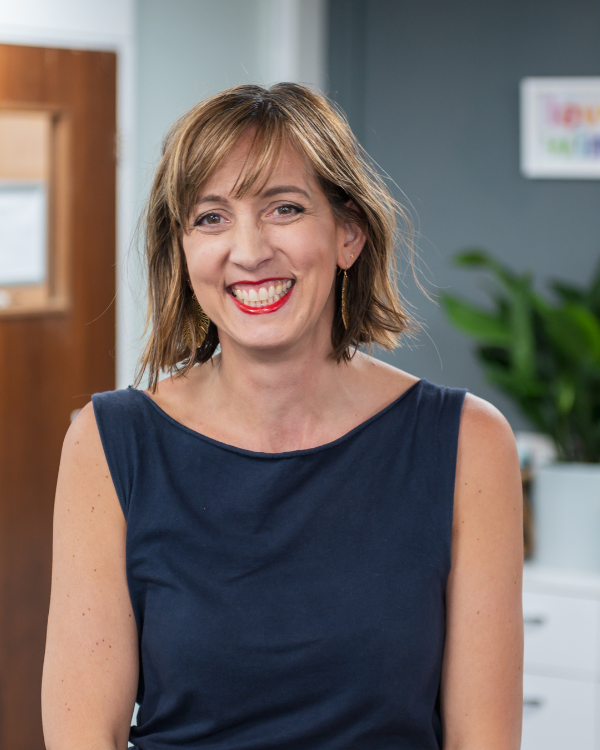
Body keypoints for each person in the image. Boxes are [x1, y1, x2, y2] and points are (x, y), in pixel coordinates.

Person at [41, 83, 524, 750]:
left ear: (349, 233)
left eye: (284, 208)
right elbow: (83, 734)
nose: (248, 250)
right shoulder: (109, 443)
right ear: (182, 250)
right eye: (211, 218)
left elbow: (484, 739)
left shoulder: (469, 443)